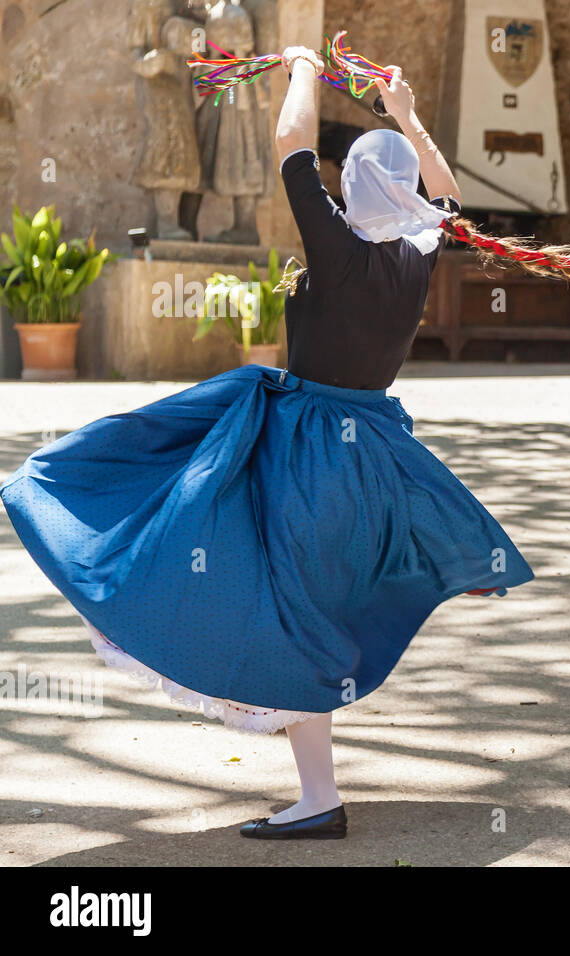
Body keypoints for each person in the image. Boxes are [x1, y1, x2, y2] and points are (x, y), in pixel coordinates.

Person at [0, 47, 535, 839]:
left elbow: (291, 149)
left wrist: (303, 68)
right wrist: (409, 119)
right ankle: (317, 794)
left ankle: (319, 799)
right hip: (369, 454)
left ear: (353, 185)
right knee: (302, 613)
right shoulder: (420, 253)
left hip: (305, 449)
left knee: (285, 611)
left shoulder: (346, 252)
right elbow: (447, 199)